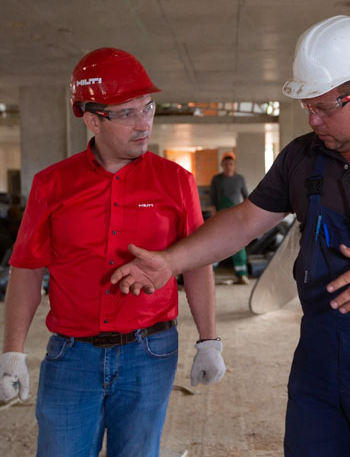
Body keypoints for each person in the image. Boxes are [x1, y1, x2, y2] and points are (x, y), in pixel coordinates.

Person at [110, 16, 350, 456]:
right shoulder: (302, 157)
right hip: (319, 350)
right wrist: (171, 262)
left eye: (324, 108)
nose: (313, 120)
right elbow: (242, 222)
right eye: (306, 107)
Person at [0, 47, 225, 457]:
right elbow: (27, 269)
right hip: (71, 357)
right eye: (127, 113)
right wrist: (13, 351)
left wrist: (209, 340)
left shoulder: (176, 182)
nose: (143, 124)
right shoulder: (52, 185)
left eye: (147, 108)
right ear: (91, 119)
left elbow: (196, 264)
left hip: (150, 354)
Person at [209, 152, 249, 284]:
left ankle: (241, 274)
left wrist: (246, 215)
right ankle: (210, 275)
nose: (228, 166)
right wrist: (214, 216)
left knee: (239, 245)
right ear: (222, 165)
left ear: (234, 165)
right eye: (226, 164)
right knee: (216, 245)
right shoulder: (217, 179)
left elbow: (246, 198)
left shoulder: (240, 179)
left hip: (236, 217)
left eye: (231, 164)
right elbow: (212, 200)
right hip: (221, 216)